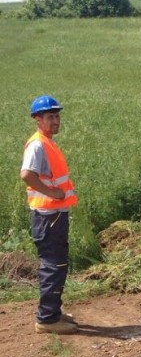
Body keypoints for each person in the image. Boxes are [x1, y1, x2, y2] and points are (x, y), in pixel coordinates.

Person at [21, 95, 79, 335]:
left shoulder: (47, 141)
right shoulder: (38, 145)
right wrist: (52, 192)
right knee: (54, 266)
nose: (56, 121)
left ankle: (52, 313)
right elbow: (27, 174)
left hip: (54, 215)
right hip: (48, 216)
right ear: (38, 119)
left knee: (57, 264)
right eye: (50, 117)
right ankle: (46, 319)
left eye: (57, 116)